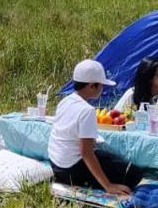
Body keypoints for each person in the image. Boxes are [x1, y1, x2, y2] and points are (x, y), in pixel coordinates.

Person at [48, 59, 144, 195]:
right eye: (101, 85)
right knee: (134, 174)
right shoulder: (86, 111)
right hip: (71, 170)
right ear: (92, 86)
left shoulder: (65, 101)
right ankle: (93, 181)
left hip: (57, 165)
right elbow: (86, 152)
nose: (102, 89)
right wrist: (108, 186)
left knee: (110, 157)